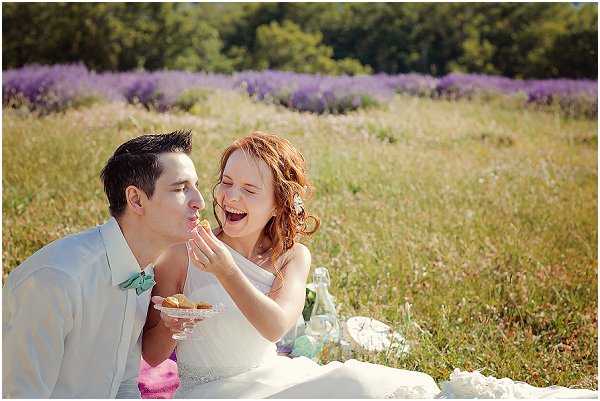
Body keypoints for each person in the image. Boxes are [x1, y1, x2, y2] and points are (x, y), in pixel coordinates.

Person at [142, 132, 597, 399]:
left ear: (279, 203)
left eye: (248, 189)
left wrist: (227, 272)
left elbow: (277, 328)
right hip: (209, 391)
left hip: (270, 380)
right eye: (225, 182)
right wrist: (167, 325)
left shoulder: (291, 256)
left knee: (359, 384)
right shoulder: (182, 250)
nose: (230, 197)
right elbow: (154, 355)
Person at [3, 130, 205, 398]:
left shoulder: (142, 270)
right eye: (181, 189)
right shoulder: (57, 280)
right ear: (135, 199)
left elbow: (123, 384)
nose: (199, 202)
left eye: (196, 187)